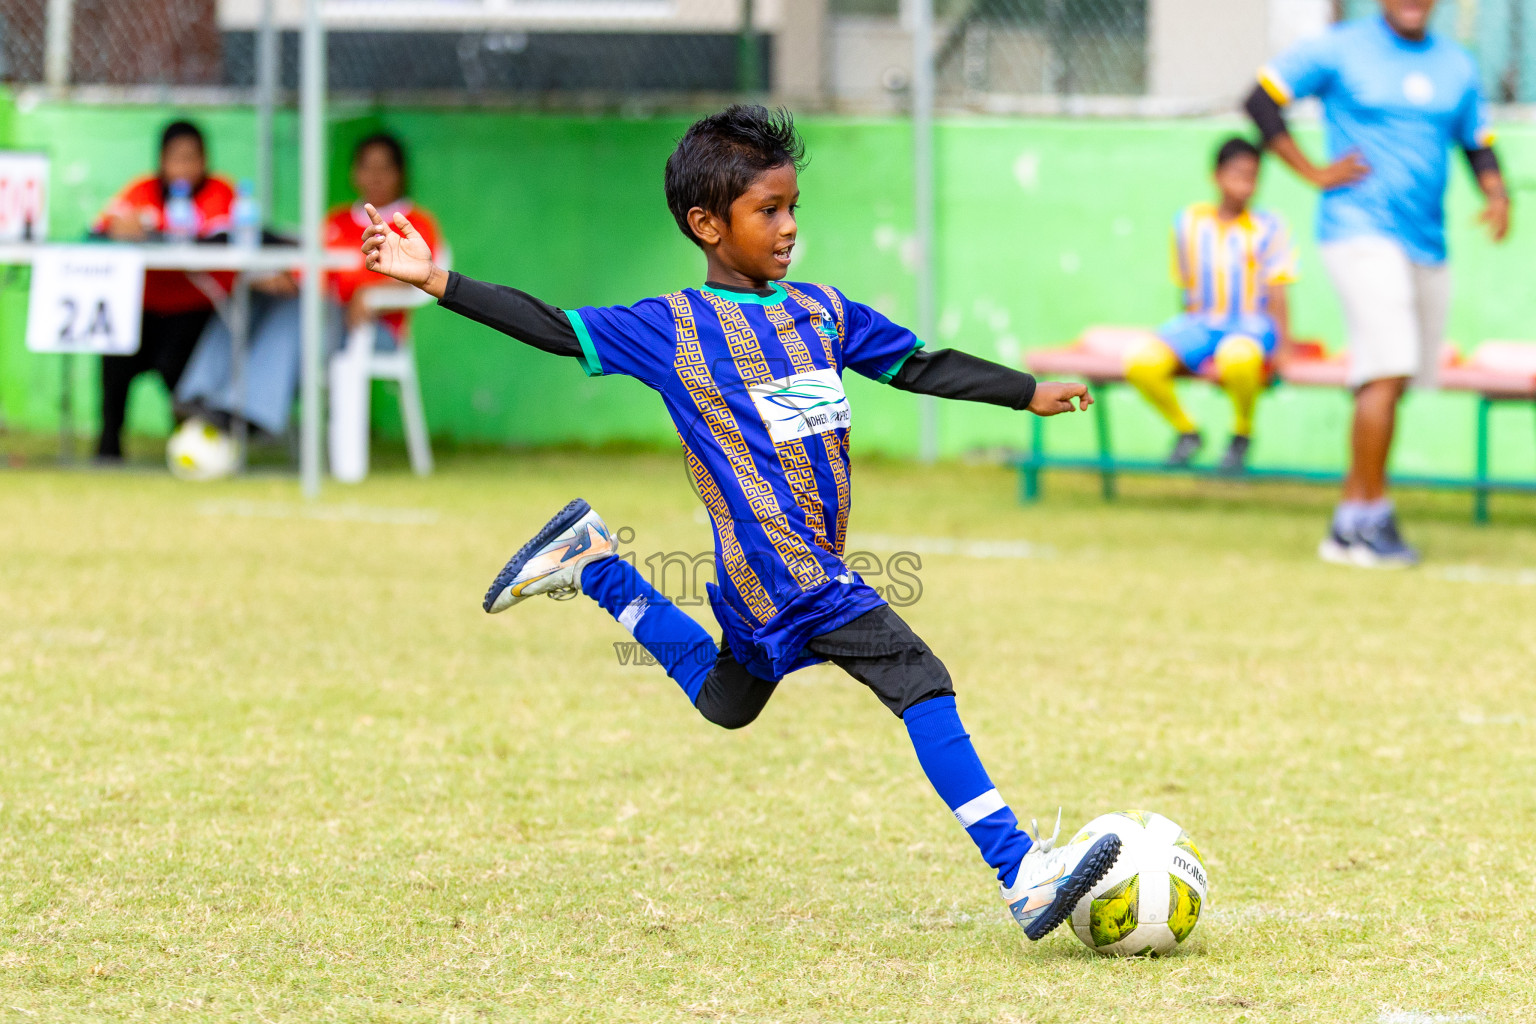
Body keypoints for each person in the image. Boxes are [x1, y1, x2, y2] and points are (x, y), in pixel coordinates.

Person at [359, 105, 1123, 942]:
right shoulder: (672, 329)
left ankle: (594, 565)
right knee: (919, 677)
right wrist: (435, 279)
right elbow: (552, 325)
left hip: (764, 583)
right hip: (795, 577)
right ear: (707, 225)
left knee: (729, 701)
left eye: (794, 207)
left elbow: (916, 364)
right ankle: (1021, 871)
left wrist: (1027, 390)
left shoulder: (823, 312)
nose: (789, 227)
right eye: (769, 212)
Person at [1245, 0, 1509, 566]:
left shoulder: (1456, 65)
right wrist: (1312, 170)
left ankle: (1347, 523)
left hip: (1427, 241)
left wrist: (1495, 191)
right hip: (1358, 230)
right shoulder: (1339, 47)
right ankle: (1370, 521)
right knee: (1386, 369)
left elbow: (1476, 140)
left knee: (1392, 380)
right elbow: (1261, 100)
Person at [174, 132, 442, 448]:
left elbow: (427, 276)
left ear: (400, 174)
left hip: (369, 327)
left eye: (384, 168)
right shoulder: (336, 220)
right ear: (355, 174)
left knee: (302, 310)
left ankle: (250, 413)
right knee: (252, 297)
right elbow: (307, 271)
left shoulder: (416, 222)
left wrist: (370, 295)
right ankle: (198, 395)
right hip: (318, 314)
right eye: (367, 167)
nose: (375, 176)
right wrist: (284, 279)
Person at [1124, 137, 1298, 474]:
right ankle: (1186, 430)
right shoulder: (1189, 223)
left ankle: (1242, 433)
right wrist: (1185, 345)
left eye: (1252, 176)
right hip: (1201, 324)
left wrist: (1284, 347)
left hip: (1250, 326)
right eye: (1237, 174)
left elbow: (1278, 290)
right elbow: (1186, 285)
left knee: (1237, 357)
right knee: (1141, 363)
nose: (1245, 185)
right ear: (1216, 176)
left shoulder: (1269, 226)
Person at [93, 120, 235, 461]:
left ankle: (187, 442)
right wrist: (120, 228)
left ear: (205, 160)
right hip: (143, 307)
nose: (184, 167)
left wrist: (159, 232)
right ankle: (109, 444)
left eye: (192, 158)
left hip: (195, 308)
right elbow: (103, 226)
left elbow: (220, 238)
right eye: (176, 158)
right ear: (161, 160)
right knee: (114, 356)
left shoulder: (220, 191)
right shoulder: (142, 190)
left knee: (177, 364)